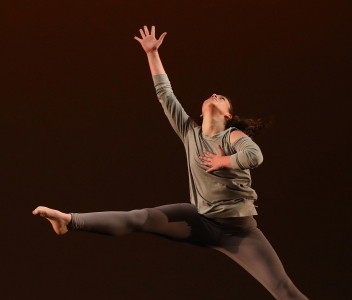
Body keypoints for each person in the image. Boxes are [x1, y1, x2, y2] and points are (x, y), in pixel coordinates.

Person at [33, 25, 308, 300]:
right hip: (200, 220)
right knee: (140, 217)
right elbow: (165, 94)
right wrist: (152, 53)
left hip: (238, 231)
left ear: (228, 115)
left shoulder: (231, 135)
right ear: (200, 114)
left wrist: (225, 160)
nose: (215, 95)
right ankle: (69, 221)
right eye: (212, 96)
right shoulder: (190, 133)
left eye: (222, 98)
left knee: (284, 290)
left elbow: (255, 156)